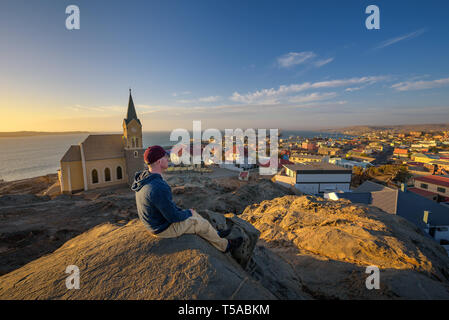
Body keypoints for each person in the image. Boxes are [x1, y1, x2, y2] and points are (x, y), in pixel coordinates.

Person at [132, 145, 243, 253]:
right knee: (199, 223)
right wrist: (187, 214)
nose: (167, 159)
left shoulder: (145, 177)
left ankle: (215, 234)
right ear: (159, 162)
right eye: (165, 157)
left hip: (155, 222)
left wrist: (188, 212)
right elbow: (173, 217)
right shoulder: (158, 187)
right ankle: (225, 246)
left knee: (193, 213)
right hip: (162, 228)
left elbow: (167, 207)